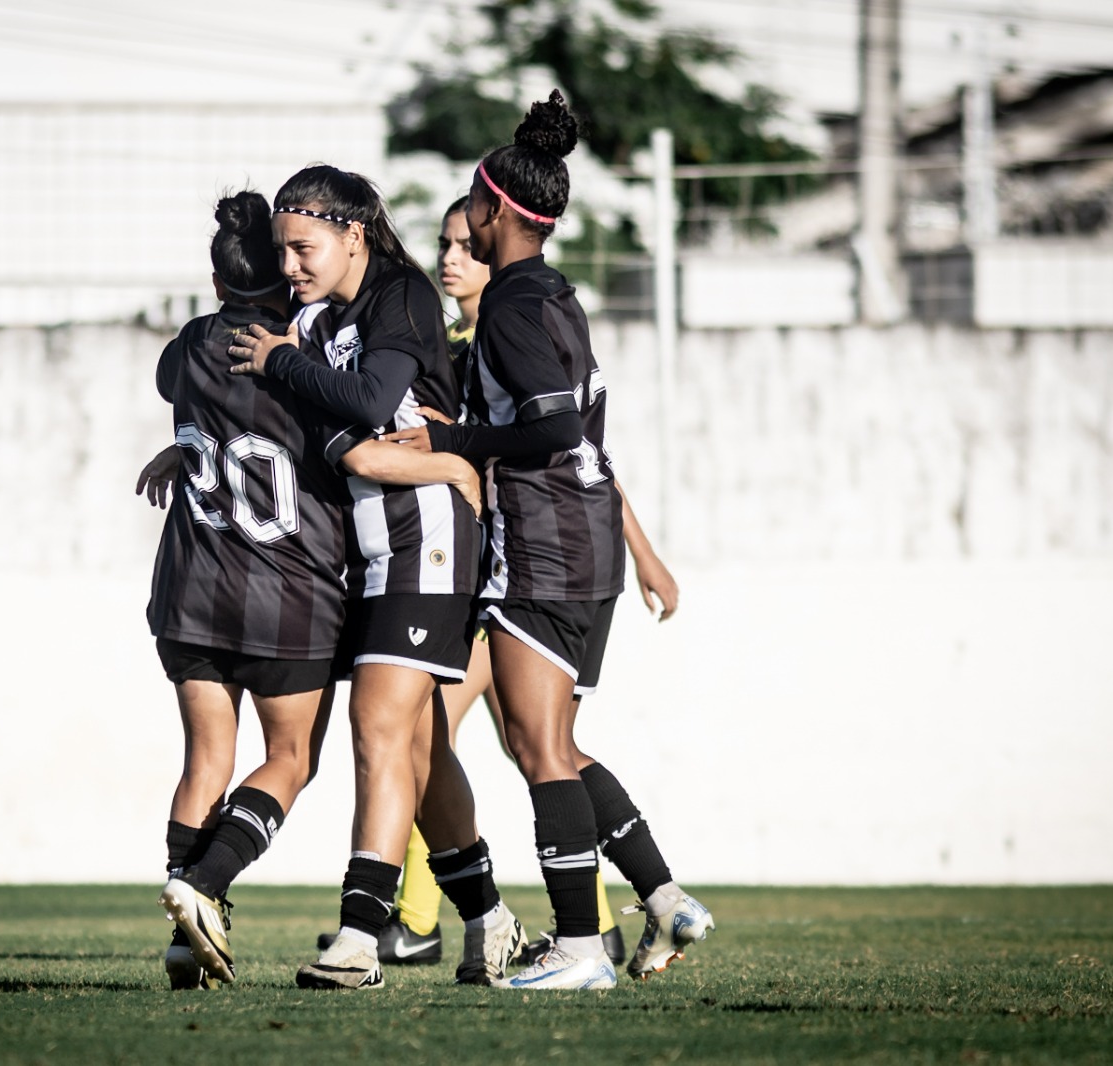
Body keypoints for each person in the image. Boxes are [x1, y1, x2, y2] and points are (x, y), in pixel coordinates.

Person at [384, 92, 714, 990]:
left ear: (494, 210)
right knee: (554, 745)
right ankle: (659, 895)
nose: (461, 233)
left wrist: (453, 440)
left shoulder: (516, 310)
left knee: (536, 749)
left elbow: (557, 429)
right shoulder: (550, 294)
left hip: (548, 548)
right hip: (579, 545)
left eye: (468, 212)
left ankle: (577, 948)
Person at [228, 165, 527, 990]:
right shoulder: (312, 314)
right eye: (283, 251)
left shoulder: (398, 294)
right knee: (419, 745)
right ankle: (493, 921)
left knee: (377, 725)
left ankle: (361, 938)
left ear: (352, 234)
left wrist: (289, 365)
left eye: (304, 248)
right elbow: (327, 429)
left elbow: (371, 396)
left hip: (427, 532)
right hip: (363, 549)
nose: (290, 266)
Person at [145, 190, 351, 991]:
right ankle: (203, 885)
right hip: (285, 595)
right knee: (291, 759)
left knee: (206, 760)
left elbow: (181, 392)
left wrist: (183, 451)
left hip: (192, 588)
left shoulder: (189, 346)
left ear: (215, 275)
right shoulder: (306, 352)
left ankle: (182, 936)